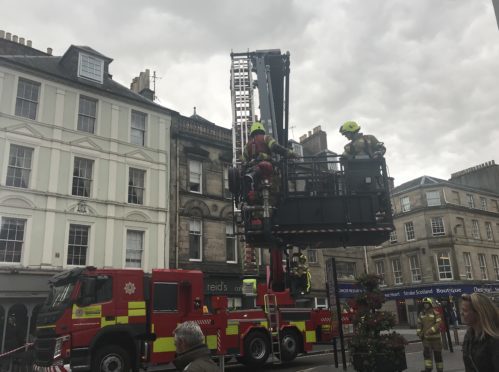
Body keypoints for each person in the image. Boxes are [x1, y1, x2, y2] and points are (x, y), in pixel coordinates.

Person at [461, 293, 499, 372]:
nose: (461, 313)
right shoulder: (469, 336)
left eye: (465, 310)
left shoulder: (494, 340)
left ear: (478, 313)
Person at [416, 297, 443, 372]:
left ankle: (440, 370)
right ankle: (428, 369)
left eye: (427, 304)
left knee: (438, 356)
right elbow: (419, 324)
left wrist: (430, 331)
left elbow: (439, 324)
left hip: (436, 339)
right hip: (426, 339)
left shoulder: (435, 313)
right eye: (424, 304)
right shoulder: (421, 314)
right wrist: (419, 333)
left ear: (430, 304)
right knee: (427, 355)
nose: (425, 305)